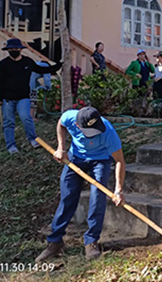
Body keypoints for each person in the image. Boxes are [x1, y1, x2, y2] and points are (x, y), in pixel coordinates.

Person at [35, 106, 126, 262]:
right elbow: (60, 124)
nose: (94, 134)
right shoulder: (70, 117)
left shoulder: (108, 132)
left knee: (97, 198)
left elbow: (120, 161)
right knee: (67, 197)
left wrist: (119, 189)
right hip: (75, 158)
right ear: (77, 126)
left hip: (100, 160)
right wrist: (61, 148)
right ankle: (55, 242)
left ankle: (91, 241)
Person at [0, 38, 61, 154]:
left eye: (16, 48)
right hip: (7, 98)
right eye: (11, 49)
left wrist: (57, 66)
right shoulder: (3, 64)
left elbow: (41, 69)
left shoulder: (27, 62)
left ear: (20, 49)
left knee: (26, 117)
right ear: (7, 50)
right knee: (8, 122)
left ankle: (33, 139)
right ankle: (11, 145)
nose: (14, 51)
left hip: (23, 97)